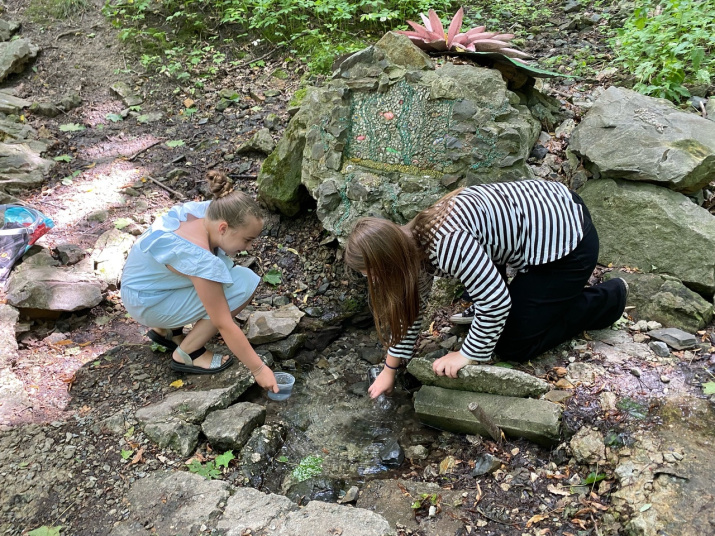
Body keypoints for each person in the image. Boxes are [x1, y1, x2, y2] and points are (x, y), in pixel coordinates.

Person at [345, 179, 627, 399]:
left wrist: (466, 355)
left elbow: (497, 303)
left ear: (391, 259)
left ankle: (609, 299)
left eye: (374, 275)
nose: (374, 282)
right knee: (493, 319)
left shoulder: (447, 244)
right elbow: (411, 310)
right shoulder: (410, 243)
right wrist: (390, 368)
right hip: (543, 215)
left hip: (569, 240)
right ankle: (541, 300)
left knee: (513, 344)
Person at [120, 189, 278, 393]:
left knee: (222, 277)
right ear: (223, 228)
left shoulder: (205, 212)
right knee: (244, 283)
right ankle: (188, 352)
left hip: (141, 291)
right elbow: (223, 323)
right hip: (147, 305)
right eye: (247, 240)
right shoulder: (200, 259)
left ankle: (168, 331)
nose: (250, 247)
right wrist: (259, 369)